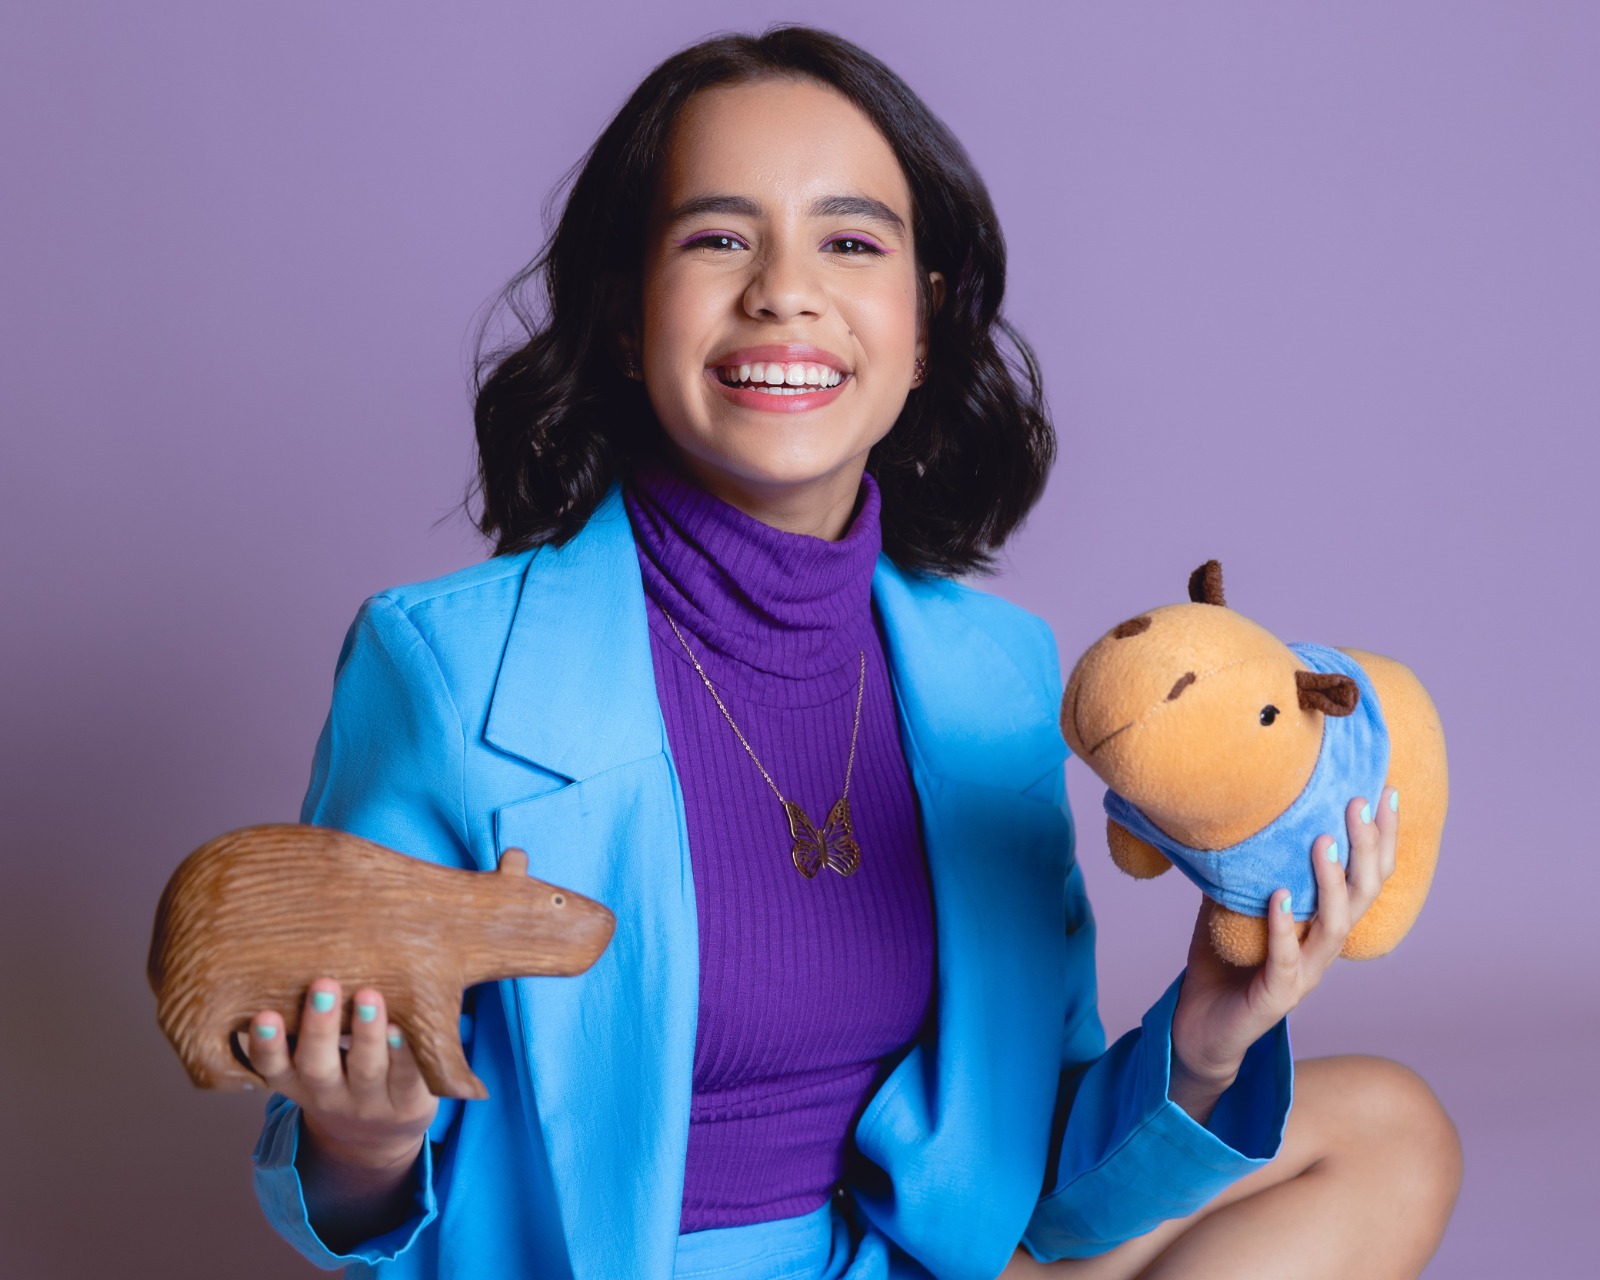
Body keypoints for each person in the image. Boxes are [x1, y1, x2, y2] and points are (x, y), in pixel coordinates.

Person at [245, 26, 1461, 1280]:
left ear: (923, 325)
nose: (783, 290)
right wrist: (365, 1135)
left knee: (1384, 1128)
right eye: (717, 239)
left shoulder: (994, 672)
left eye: (850, 242)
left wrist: (1205, 1036)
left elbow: (1035, 1185)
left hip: (906, 1259)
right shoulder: (442, 667)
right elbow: (340, 1191)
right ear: (623, 315)